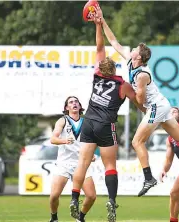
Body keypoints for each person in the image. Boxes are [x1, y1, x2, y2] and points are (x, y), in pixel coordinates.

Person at [96, 6, 179, 197]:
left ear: (138, 56)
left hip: (157, 107)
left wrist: (137, 102)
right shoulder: (131, 62)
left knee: (137, 142)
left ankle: (148, 178)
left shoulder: (142, 75)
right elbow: (113, 41)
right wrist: (102, 20)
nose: (132, 50)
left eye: (135, 49)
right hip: (162, 105)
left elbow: (139, 99)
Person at [70, 8, 145, 222]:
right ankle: (112, 201)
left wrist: (97, 25)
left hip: (88, 123)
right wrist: (147, 107)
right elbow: (140, 104)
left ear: (102, 68)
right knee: (110, 166)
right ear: (115, 69)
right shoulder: (123, 85)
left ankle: (75, 199)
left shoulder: (97, 75)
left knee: (82, 164)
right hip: (105, 126)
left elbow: (100, 46)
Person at [49, 96, 96, 222]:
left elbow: (91, 142)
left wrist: (92, 154)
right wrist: (65, 140)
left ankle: (80, 218)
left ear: (80, 106)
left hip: (82, 163)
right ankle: (54, 217)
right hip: (64, 163)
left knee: (91, 196)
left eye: (76, 102)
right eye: (71, 102)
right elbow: (53, 139)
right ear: (66, 107)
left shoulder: (87, 122)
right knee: (54, 196)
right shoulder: (62, 120)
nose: (74, 104)